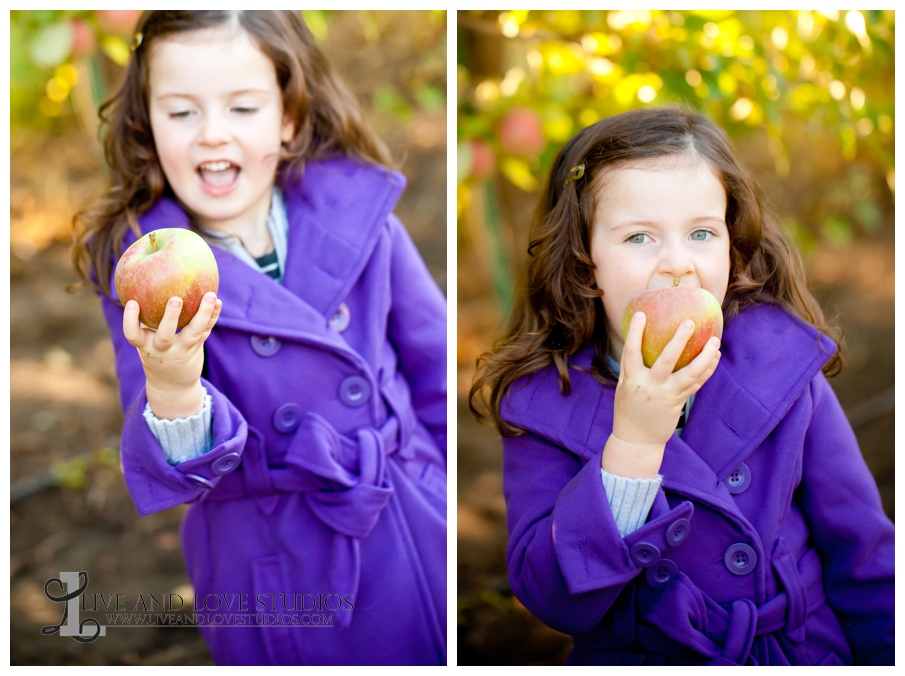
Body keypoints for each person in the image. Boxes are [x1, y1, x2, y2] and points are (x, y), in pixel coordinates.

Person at [72, 10, 446, 666]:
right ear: (148, 123)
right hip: (263, 558)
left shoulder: (366, 224)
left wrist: (432, 482)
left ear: (289, 118)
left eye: (242, 107)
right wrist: (173, 381)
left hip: (399, 518)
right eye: (181, 112)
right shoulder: (137, 264)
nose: (211, 135)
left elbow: (434, 369)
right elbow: (180, 469)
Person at [469, 107, 893, 665]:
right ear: (584, 261)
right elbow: (555, 599)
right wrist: (634, 447)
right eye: (639, 236)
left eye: (701, 233)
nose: (677, 264)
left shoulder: (785, 369)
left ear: (732, 241)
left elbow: (865, 555)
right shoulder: (543, 405)